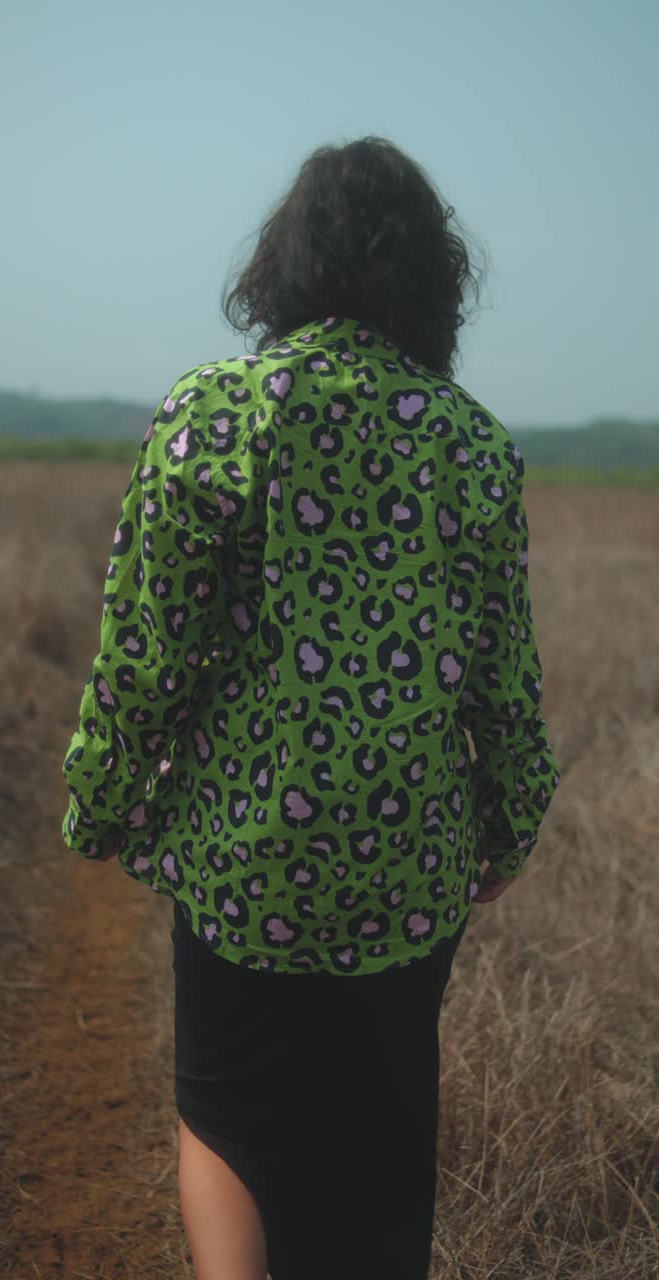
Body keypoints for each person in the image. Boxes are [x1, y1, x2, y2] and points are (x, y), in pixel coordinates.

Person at [61, 135, 561, 1279]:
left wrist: (98, 801)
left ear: (284, 266)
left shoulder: (212, 415)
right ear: (435, 279)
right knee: (379, 1147)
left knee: (227, 1117)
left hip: (243, 871)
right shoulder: (472, 445)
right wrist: (509, 821)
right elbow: (505, 679)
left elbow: (143, 656)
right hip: (410, 876)